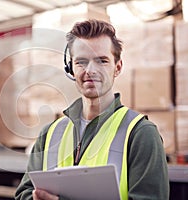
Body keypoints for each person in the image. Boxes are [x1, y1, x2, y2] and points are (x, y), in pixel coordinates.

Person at [15, 19, 169, 200]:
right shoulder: (49, 134)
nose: (90, 70)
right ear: (70, 68)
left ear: (117, 67)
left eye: (102, 61)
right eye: (81, 62)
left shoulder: (140, 133)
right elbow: (23, 194)